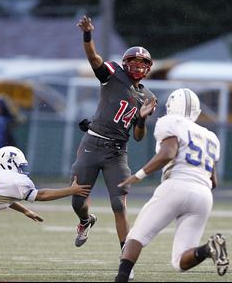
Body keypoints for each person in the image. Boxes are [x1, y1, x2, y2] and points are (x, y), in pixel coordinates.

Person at [71, 15, 157, 279]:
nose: (138, 67)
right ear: (125, 64)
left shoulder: (149, 97)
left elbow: (140, 137)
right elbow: (93, 58)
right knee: (77, 200)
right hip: (92, 143)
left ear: (149, 67)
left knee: (119, 206)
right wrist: (87, 34)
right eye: (134, 62)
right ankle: (85, 221)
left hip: (117, 152)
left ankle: (125, 264)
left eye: (143, 63)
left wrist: (141, 118)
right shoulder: (113, 75)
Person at [115, 88, 229, 282]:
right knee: (179, 261)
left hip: (176, 184)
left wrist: (140, 174)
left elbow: (168, 152)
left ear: (171, 107)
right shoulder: (211, 136)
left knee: (135, 237)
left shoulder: (169, 122)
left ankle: (122, 278)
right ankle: (209, 248)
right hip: (203, 195)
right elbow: (213, 181)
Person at [0, 146, 91, 220]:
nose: (21, 169)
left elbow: (2, 196)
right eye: (20, 165)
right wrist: (71, 190)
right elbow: (41, 195)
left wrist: (25, 210)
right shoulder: (15, 181)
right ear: (10, 163)